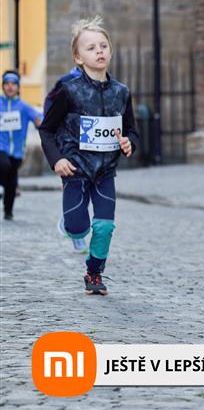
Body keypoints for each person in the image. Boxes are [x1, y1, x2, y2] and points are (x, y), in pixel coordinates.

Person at [39, 16, 139, 295]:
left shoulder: (121, 92)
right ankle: (70, 226)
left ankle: (94, 273)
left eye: (103, 46)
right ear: (78, 58)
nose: (99, 51)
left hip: (105, 171)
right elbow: (46, 129)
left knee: (104, 227)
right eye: (91, 47)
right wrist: (57, 159)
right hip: (75, 169)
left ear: (110, 51)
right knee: (77, 227)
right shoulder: (69, 91)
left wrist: (129, 143)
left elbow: (131, 129)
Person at [0, 70, 42, 220]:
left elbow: (39, 117)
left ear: (18, 87)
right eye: (7, 84)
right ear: (3, 86)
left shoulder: (23, 106)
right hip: (1, 148)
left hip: (17, 151)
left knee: (11, 183)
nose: (10, 87)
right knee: (4, 166)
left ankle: (8, 211)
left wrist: (39, 121)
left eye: (13, 84)